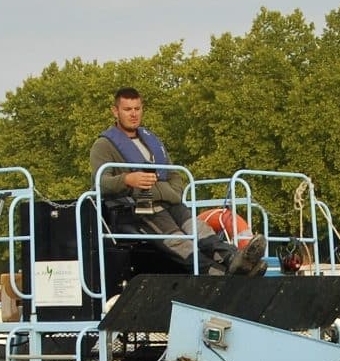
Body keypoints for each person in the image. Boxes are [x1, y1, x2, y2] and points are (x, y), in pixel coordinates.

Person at [90, 87, 265, 275]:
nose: (133, 114)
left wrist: (173, 192)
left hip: (171, 203)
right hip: (139, 210)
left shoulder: (151, 141)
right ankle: (218, 274)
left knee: (201, 230)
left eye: (137, 108)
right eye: (127, 109)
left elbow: (173, 173)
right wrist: (128, 179)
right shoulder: (104, 145)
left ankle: (237, 260)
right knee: (180, 242)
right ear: (115, 111)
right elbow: (101, 183)